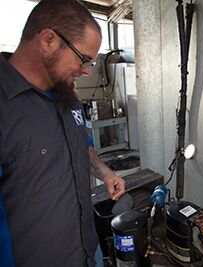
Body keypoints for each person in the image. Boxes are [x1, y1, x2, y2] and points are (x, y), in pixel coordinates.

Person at [0, 0, 126, 266]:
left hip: (86, 252)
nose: (87, 70)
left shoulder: (66, 96)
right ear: (48, 40)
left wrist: (104, 172)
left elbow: (83, 145)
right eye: (84, 59)